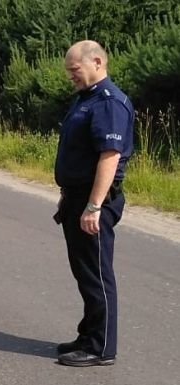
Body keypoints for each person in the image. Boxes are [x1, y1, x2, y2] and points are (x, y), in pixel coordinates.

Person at [53, 40, 134, 367]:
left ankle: (100, 348)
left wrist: (94, 205)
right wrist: (68, 194)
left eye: (75, 70)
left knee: (97, 273)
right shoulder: (86, 99)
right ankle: (88, 334)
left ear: (97, 62)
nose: (71, 76)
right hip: (77, 197)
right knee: (84, 271)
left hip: (94, 200)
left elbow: (109, 156)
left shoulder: (108, 103)